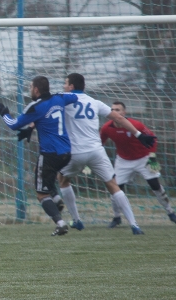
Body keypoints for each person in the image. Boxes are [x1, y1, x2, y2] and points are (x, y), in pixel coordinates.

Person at [53, 73, 149, 235]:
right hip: (97, 151)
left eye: (65, 83)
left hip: (75, 152)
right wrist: (138, 134)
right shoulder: (94, 102)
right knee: (113, 185)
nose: (63, 86)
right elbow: (118, 118)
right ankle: (134, 225)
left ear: (71, 87)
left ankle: (77, 220)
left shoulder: (63, 99)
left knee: (62, 180)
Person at [0, 76, 79, 236]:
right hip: (66, 153)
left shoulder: (35, 106)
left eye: (30, 87)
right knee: (41, 173)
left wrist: (5, 114)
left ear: (36, 89)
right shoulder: (60, 98)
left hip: (50, 153)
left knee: (41, 194)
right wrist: (32, 127)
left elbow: (13, 125)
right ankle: (56, 200)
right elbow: (74, 96)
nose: (29, 90)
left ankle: (60, 222)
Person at [101, 102, 176, 226]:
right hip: (123, 161)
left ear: (124, 113)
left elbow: (152, 139)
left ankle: (171, 213)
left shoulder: (136, 125)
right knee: (115, 189)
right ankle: (117, 217)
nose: (114, 111)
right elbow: (99, 143)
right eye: (112, 109)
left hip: (143, 159)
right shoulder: (107, 128)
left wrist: (152, 157)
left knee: (155, 186)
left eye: (118, 109)